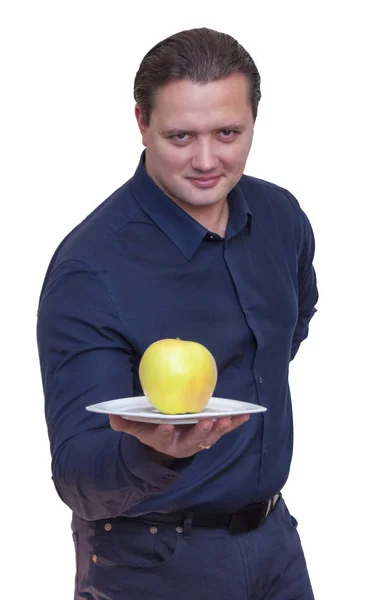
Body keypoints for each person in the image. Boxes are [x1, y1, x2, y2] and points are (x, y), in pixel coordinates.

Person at [37, 27, 319, 600]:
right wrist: (154, 450)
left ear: (253, 123)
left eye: (228, 133)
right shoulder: (90, 269)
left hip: (276, 548)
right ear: (140, 123)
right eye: (181, 136)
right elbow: (77, 474)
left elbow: (290, 327)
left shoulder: (280, 216)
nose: (207, 160)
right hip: (150, 564)